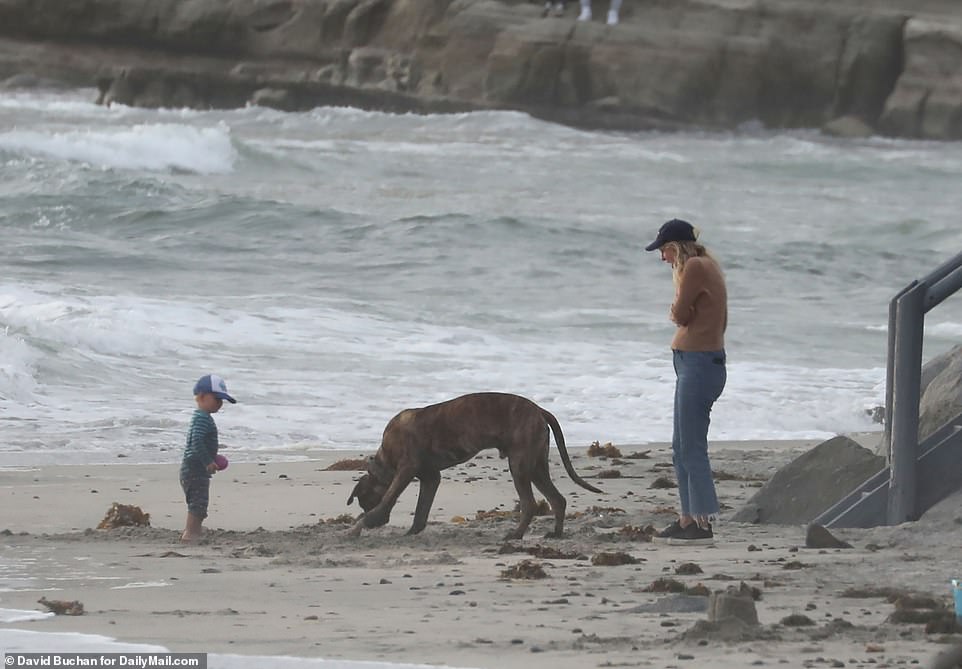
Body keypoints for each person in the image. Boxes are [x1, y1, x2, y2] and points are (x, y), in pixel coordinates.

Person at [645, 219, 727, 545]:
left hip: (698, 363)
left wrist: (678, 303)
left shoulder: (694, 266)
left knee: (691, 447)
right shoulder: (706, 265)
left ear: (676, 246)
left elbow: (679, 315)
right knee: (681, 447)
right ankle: (688, 518)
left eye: (664, 250)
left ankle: (702, 523)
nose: (662, 258)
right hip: (697, 362)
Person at [180, 373, 237, 543]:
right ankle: (190, 533)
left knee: (200, 501)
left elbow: (200, 442)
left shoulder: (202, 418)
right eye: (217, 399)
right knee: (197, 503)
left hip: (195, 467)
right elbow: (196, 441)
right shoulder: (202, 419)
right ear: (202, 397)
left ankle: (195, 529)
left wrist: (213, 456)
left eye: (222, 401)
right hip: (195, 468)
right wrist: (208, 461)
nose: (220, 404)